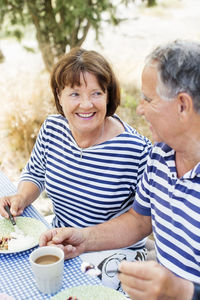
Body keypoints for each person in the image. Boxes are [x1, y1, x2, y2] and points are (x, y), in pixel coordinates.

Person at [39, 39, 200, 300]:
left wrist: (183, 292)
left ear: (182, 105)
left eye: (148, 99)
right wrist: (82, 239)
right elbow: (139, 220)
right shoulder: (160, 154)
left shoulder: (141, 148)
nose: (139, 109)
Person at [0, 47, 152, 292]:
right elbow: (35, 173)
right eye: (74, 94)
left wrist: (85, 241)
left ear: (108, 96)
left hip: (114, 253)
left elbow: (143, 221)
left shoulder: (135, 149)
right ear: (59, 96)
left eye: (96, 93)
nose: (86, 104)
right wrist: (21, 197)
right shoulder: (52, 129)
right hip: (62, 237)